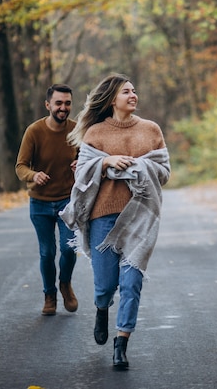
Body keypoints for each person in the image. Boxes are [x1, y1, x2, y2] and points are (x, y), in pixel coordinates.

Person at [60, 73, 170, 370]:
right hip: (103, 216)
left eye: (134, 90)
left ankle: (121, 344)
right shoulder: (95, 133)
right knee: (106, 284)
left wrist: (137, 165)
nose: (133, 95)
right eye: (126, 92)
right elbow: (82, 171)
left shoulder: (151, 130)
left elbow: (163, 169)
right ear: (112, 99)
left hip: (141, 217)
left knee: (132, 281)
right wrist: (106, 162)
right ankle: (101, 306)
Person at [15, 83, 79, 316]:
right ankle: (49, 295)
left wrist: (79, 165)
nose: (63, 108)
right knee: (47, 252)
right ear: (48, 105)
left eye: (68, 103)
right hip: (40, 202)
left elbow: (87, 160)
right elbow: (20, 166)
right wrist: (34, 175)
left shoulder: (76, 130)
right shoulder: (34, 131)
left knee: (69, 249)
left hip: (68, 202)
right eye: (59, 103)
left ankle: (65, 284)